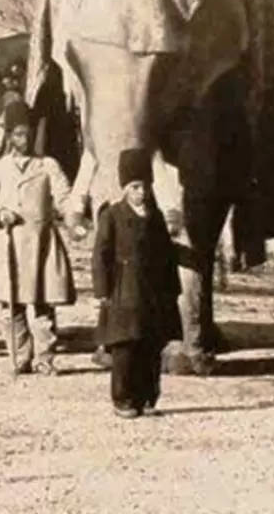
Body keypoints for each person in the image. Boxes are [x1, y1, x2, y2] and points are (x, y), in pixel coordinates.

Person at [0, 100, 77, 376]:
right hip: (9, 245)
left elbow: (64, 197)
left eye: (27, 133)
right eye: (17, 134)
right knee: (11, 306)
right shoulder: (0, 169)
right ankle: (20, 356)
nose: (24, 139)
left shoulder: (47, 165)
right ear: (8, 136)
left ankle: (45, 357)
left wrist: (74, 218)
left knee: (42, 305)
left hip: (40, 242)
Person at [92, 148, 182, 418]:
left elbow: (166, 255)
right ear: (124, 188)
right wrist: (102, 289)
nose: (141, 193)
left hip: (152, 292)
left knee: (151, 346)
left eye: (145, 186)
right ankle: (123, 398)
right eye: (135, 187)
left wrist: (172, 289)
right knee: (126, 347)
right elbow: (101, 255)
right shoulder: (113, 215)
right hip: (124, 289)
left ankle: (147, 398)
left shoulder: (155, 217)